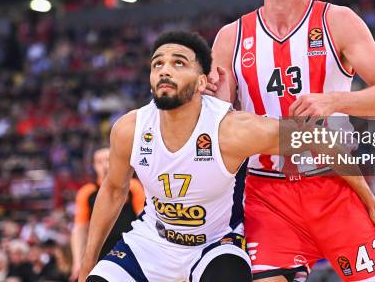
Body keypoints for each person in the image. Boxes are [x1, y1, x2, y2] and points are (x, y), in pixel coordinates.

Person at [210, 0, 375, 281]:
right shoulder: (231, 36)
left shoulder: (338, 21)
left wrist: (333, 101)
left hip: (334, 182)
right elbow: (218, 120)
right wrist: (209, 100)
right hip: (265, 193)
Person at [79, 31, 298, 282]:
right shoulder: (130, 128)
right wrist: (88, 261)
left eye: (178, 63)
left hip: (215, 244)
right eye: (157, 63)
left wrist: (355, 186)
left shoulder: (230, 129)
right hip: (152, 242)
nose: (165, 70)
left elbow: (325, 139)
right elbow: (113, 190)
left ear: (202, 83)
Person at [70, 147, 145, 280]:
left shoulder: (133, 186)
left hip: (128, 247)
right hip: (100, 248)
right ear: (94, 166)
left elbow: (143, 218)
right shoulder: (87, 192)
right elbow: (79, 228)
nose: (104, 165)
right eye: (99, 162)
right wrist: (77, 261)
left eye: (107, 160)